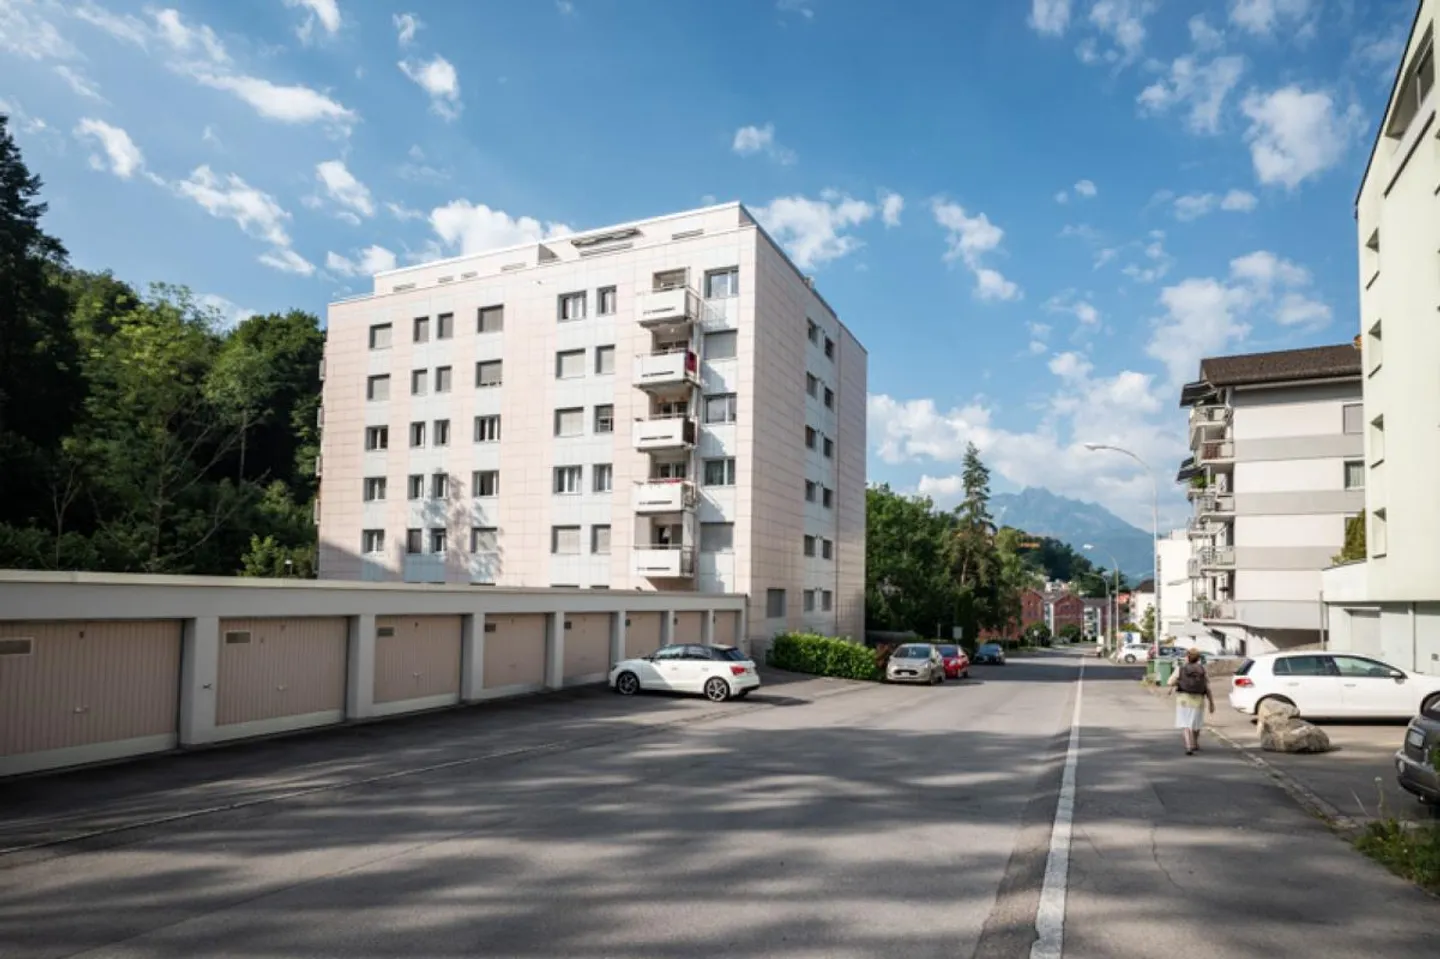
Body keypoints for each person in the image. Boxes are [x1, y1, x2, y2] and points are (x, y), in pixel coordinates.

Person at [1168, 648, 1214, 755]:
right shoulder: (1202, 669)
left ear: (1187, 657)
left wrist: (1178, 682)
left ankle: (1188, 746)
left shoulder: (1180, 669)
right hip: (1198, 700)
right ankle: (1195, 743)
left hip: (1183, 700)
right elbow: (1207, 687)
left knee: (1186, 724)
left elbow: (1169, 682)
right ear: (1198, 658)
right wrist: (1211, 703)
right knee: (1196, 724)